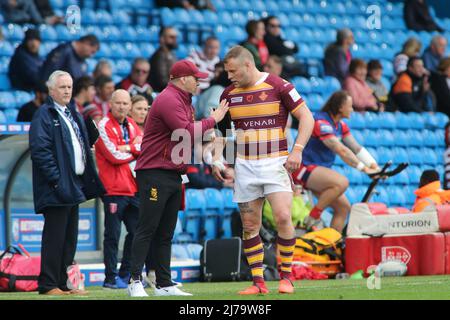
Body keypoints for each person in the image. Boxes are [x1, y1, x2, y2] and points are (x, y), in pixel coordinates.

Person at [214, 45, 315, 295]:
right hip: (245, 165)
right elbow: (225, 133)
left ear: (248, 65)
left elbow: (307, 117)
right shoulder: (228, 94)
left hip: (275, 162)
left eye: (233, 70)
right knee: (250, 225)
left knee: (282, 217)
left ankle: (287, 277)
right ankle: (258, 283)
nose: (229, 76)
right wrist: (224, 163)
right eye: (227, 72)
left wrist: (298, 150)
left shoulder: (279, 85)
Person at [127, 59, 229, 297]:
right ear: (183, 79)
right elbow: (185, 131)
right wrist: (214, 119)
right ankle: (134, 281)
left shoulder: (184, 101)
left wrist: (213, 160)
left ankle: (163, 283)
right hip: (154, 172)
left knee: (165, 232)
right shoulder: (169, 99)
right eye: (196, 78)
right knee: (147, 228)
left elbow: (187, 141)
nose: (199, 82)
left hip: (173, 173)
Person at [29, 70, 104, 296]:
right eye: (62, 87)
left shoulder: (73, 113)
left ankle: (63, 283)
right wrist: (56, 181)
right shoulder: (44, 114)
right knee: (55, 237)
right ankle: (48, 284)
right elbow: (40, 151)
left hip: (74, 184)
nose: (67, 91)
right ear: (51, 90)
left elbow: (80, 144)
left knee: (69, 238)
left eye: (70, 87)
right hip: (57, 186)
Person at [291, 91, 380, 232]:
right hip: (303, 169)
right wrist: (363, 168)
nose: (352, 109)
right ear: (340, 108)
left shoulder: (340, 125)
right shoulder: (321, 122)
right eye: (350, 106)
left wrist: (374, 166)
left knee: (343, 208)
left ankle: (331, 244)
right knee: (342, 182)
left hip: (317, 171)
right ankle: (312, 217)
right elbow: (341, 149)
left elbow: (356, 147)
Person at [95, 89, 143, 289]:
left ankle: (125, 274)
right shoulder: (103, 125)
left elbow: (144, 147)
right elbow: (114, 156)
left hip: (132, 188)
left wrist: (128, 148)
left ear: (129, 106)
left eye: (125, 103)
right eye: (118, 103)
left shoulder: (132, 125)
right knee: (113, 236)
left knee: (137, 232)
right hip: (113, 189)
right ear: (111, 104)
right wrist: (132, 150)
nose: (122, 106)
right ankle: (110, 278)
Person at [148, 27, 178, 92]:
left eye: (176, 37)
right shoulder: (158, 57)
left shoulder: (172, 55)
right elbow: (162, 82)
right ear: (162, 39)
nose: (175, 39)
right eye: (171, 37)